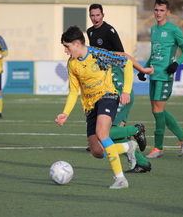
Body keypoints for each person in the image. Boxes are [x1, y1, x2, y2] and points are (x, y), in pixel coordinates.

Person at [55, 25, 137, 189]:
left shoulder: (99, 54)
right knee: (97, 151)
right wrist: (65, 113)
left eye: (67, 46)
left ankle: (120, 179)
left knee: (101, 133)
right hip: (90, 105)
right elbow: (73, 91)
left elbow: (126, 63)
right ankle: (128, 146)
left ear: (77, 44)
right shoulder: (72, 64)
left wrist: (126, 91)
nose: (66, 51)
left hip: (108, 96)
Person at [87, 3, 153, 173]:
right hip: (109, 88)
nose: (95, 18)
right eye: (92, 15)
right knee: (116, 135)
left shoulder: (109, 31)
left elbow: (123, 56)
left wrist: (142, 70)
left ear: (103, 15)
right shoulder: (90, 32)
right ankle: (142, 163)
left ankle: (136, 130)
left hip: (118, 88)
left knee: (106, 133)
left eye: (97, 15)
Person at [138, 0, 183, 158]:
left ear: (168, 12)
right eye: (156, 10)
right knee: (157, 111)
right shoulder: (153, 29)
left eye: (162, 10)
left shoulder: (174, 30)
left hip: (165, 76)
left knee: (157, 110)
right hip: (153, 75)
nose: (158, 13)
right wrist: (143, 69)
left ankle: (158, 148)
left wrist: (176, 64)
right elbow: (154, 54)